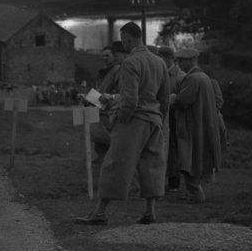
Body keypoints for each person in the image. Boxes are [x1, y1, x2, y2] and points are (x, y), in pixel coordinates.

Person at [76, 22, 169, 226]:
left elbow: (130, 100)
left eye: (123, 40)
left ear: (127, 38)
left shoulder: (130, 62)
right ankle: (150, 211)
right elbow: (164, 99)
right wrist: (159, 119)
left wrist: (120, 119)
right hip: (154, 119)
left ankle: (99, 212)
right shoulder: (159, 62)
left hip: (133, 120)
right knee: (151, 165)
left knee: (114, 163)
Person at [169, 47, 222, 202]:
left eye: (182, 61)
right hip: (201, 124)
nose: (179, 64)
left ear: (192, 60)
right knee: (197, 158)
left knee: (188, 158)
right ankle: (194, 192)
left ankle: (195, 193)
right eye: (178, 61)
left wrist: (172, 98)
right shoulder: (203, 76)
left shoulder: (192, 78)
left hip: (191, 125)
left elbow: (183, 101)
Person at [159, 45, 185, 191]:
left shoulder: (180, 76)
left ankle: (174, 180)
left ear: (169, 58)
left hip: (175, 117)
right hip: (162, 116)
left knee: (174, 148)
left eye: (162, 58)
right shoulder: (160, 73)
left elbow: (183, 98)